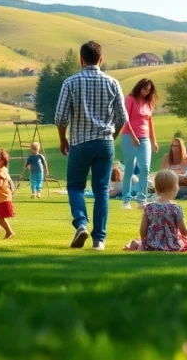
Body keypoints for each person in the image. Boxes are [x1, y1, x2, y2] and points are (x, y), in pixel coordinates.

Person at [55, 41, 128, 251]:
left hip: (80, 142)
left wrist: (63, 139)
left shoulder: (70, 82)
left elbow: (60, 118)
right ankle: (99, 240)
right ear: (101, 59)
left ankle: (81, 223)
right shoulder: (112, 83)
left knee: (75, 186)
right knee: (102, 191)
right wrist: (111, 137)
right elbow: (122, 118)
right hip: (105, 142)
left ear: (81, 59)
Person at [123, 170, 187, 252]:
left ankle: (138, 244)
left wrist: (144, 242)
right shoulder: (175, 209)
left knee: (145, 242)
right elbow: (184, 231)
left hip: (151, 244)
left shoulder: (149, 207)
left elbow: (143, 230)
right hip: (171, 245)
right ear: (174, 188)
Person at [119, 79, 159, 209]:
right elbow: (125, 118)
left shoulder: (148, 102)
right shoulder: (130, 99)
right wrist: (132, 136)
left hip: (144, 137)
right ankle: (126, 200)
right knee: (129, 168)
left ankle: (142, 199)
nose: (146, 92)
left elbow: (150, 122)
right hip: (128, 136)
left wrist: (154, 140)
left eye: (148, 90)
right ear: (139, 88)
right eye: (144, 89)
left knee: (145, 167)